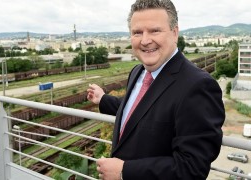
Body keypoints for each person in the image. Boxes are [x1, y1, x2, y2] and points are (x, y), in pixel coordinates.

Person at [87, 0, 225, 179]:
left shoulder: (198, 86)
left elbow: (192, 168)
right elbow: (142, 110)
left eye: (155, 31)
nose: (145, 40)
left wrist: (124, 171)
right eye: (137, 32)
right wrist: (103, 99)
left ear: (174, 33)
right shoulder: (138, 72)